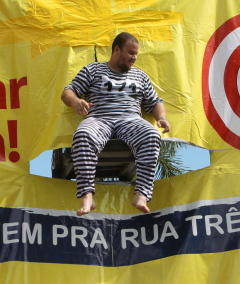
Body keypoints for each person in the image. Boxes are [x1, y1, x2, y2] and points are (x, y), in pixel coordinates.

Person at [61, 32, 171, 216]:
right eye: (130, 53)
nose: (134, 58)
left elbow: (155, 101)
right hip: (99, 118)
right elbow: (68, 91)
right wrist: (76, 102)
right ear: (117, 50)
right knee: (82, 135)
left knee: (152, 135)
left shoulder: (140, 76)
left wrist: (162, 117)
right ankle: (87, 196)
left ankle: (142, 194)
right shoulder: (93, 70)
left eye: (136, 54)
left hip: (131, 120)